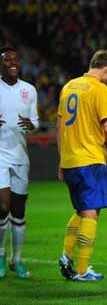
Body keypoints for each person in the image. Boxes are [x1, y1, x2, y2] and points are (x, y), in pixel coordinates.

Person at [56, 49, 107, 281]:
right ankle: (81, 270)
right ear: (106, 68)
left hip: (70, 160)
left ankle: (66, 255)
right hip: (90, 159)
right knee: (91, 214)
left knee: (81, 211)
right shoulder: (100, 89)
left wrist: (62, 159)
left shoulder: (69, 86)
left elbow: (59, 126)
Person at [0, 46, 39, 279]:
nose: (12, 62)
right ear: (1, 64)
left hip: (20, 155)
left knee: (19, 209)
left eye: (15, 59)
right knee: (2, 206)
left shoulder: (29, 90)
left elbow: (34, 121)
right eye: (7, 59)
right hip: (0, 155)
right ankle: (1, 257)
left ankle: (17, 260)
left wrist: (31, 125)